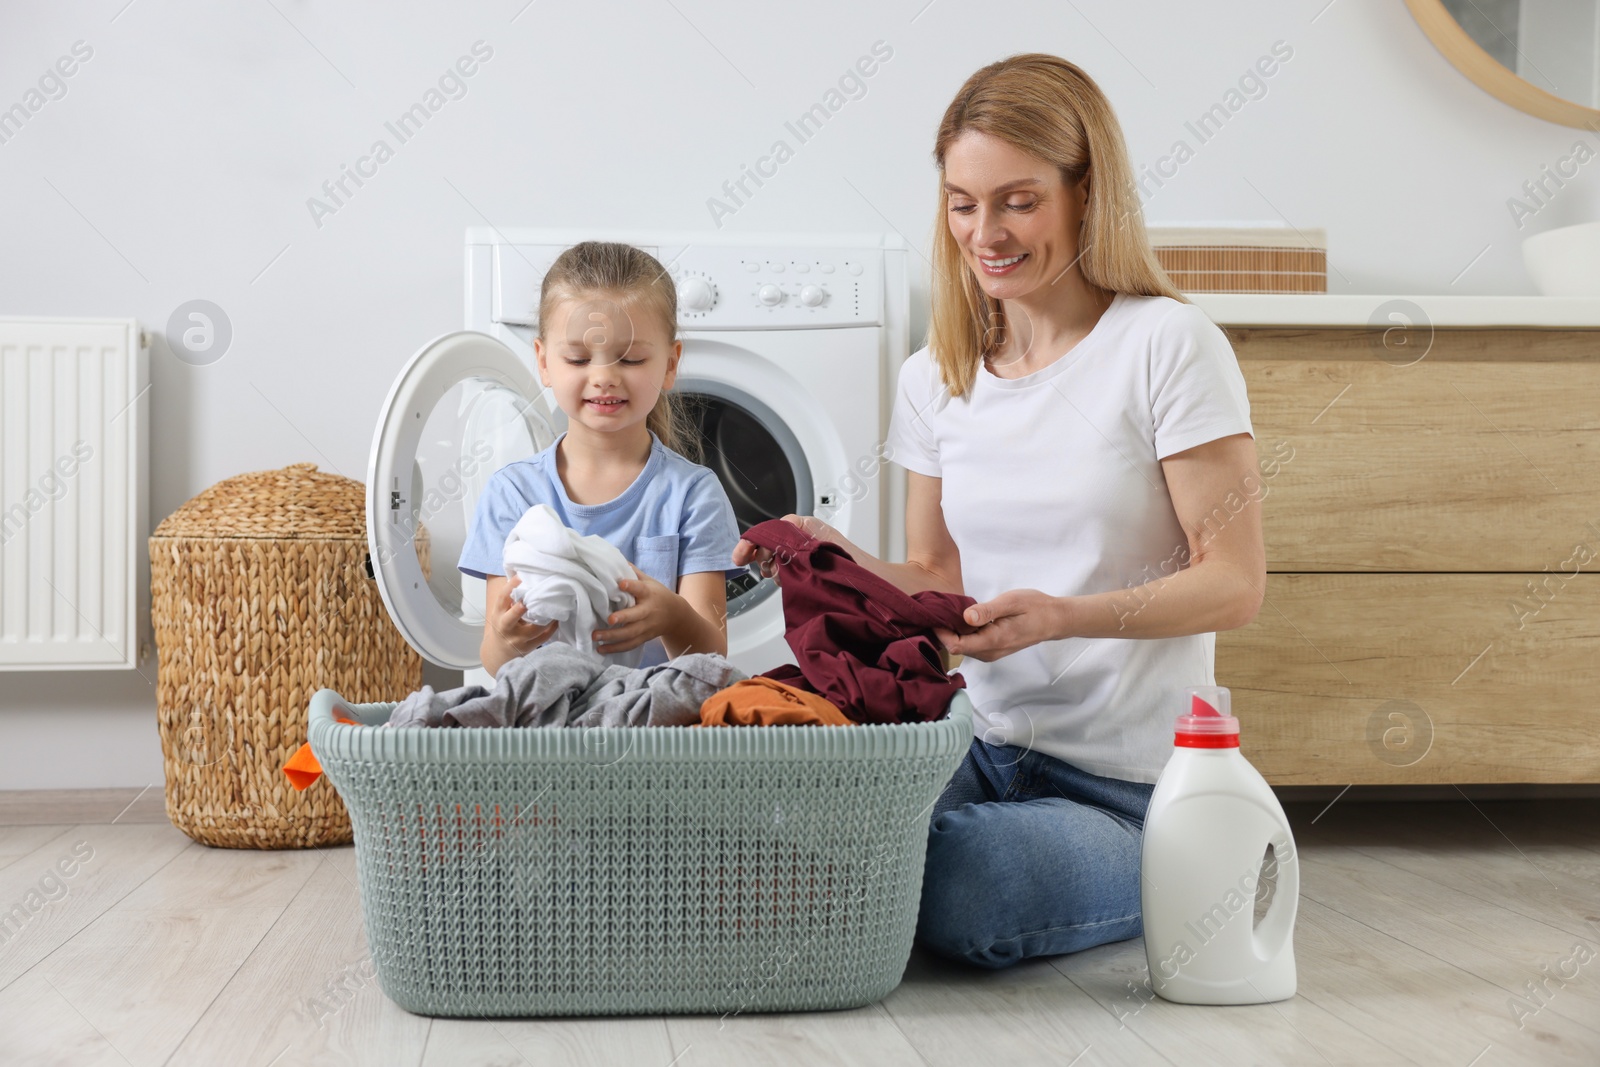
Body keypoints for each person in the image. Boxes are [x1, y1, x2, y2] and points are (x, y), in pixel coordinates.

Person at [733, 53, 1265, 969]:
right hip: (974, 744)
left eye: (1018, 200)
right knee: (767, 820)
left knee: (955, 880)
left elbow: (1233, 583)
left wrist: (1067, 617)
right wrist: (836, 554)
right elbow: (937, 577)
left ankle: (1181, 871)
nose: (987, 232)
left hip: (1127, 789)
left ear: (1085, 190)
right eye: (962, 202)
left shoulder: (1167, 345)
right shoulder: (936, 376)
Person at [458, 241, 739, 677]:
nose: (604, 376)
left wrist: (674, 617)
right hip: (550, 728)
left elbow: (712, 661)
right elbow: (496, 663)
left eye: (631, 358)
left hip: (656, 729)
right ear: (544, 362)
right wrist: (505, 640)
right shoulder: (512, 493)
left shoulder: (692, 495)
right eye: (578, 358)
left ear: (670, 363)